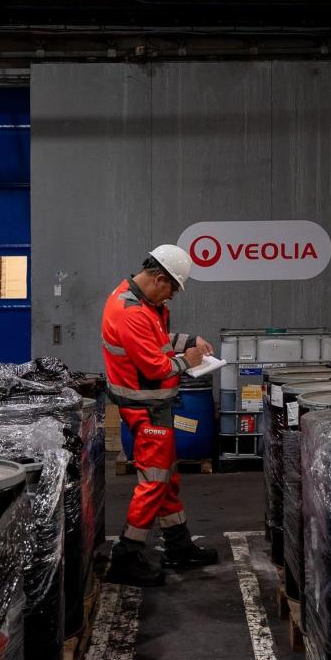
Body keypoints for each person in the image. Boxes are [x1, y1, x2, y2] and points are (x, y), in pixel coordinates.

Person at [101, 243, 221, 586]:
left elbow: (156, 341)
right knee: (154, 482)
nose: (173, 296)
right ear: (158, 278)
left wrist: (189, 340)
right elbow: (156, 367)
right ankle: (126, 557)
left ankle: (178, 546)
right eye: (172, 288)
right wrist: (191, 360)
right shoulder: (131, 311)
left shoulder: (140, 301)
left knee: (166, 477)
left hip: (153, 406)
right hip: (147, 408)